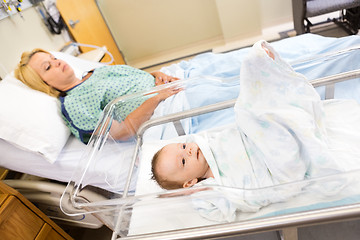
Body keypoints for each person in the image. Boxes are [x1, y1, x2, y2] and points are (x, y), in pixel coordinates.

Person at [151, 40, 360, 192]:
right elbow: (249, 191)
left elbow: (238, 134)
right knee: (253, 115)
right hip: (275, 162)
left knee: (248, 112)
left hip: (257, 138)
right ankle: (262, 75)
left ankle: (266, 76)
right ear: (190, 183)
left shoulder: (208, 142)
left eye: (183, 147)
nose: (189, 152)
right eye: (183, 162)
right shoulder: (215, 184)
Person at [15, 48, 182, 143]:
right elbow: (123, 131)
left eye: (53, 58)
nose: (57, 62)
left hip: (172, 84)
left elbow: (135, 79)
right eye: (48, 67)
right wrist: (157, 96)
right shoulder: (74, 103)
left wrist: (155, 75)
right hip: (169, 106)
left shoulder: (95, 72)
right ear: (45, 84)